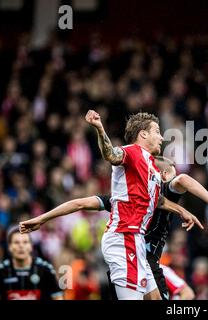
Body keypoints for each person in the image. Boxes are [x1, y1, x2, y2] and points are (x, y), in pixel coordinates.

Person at [20, 156, 208, 300]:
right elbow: (183, 180)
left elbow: (79, 203)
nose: (176, 176)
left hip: (130, 260)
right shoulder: (163, 188)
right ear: (164, 174)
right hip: (141, 260)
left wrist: (42, 218)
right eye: (172, 171)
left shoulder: (125, 199)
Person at [86, 109, 201, 300]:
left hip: (136, 241)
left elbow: (158, 200)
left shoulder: (152, 168)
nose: (162, 137)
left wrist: (182, 211)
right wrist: (100, 128)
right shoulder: (132, 152)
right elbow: (111, 155)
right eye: (157, 131)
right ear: (143, 134)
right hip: (124, 237)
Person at [0, 226, 63, 300]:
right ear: (9, 247)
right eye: (16, 242)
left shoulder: (45, 269)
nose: (21, 246)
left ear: (31, 246)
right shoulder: (0, 271)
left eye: (25, 242)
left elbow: (57, 297)